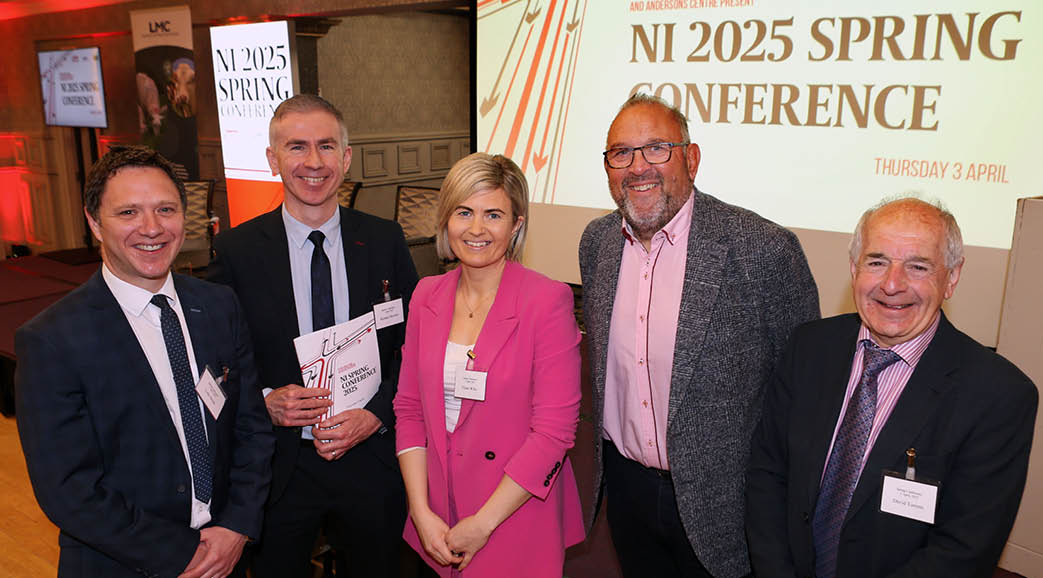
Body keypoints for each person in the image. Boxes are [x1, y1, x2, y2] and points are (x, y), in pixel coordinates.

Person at [579, 93, 820, 578]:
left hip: (727, 506)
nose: (638, 167)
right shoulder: (597, 243)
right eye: (621, 153)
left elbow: (804, 396)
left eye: (657, 148)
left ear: (691, 159)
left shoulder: (764, 249)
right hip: (627, 491)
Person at [15, 145, 274, 578]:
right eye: (128, 213)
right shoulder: (51, 340)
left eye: (165, 209)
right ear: (94, 222)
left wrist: (236, 527)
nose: (152, 228)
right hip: (123, 565)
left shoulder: (219, 305)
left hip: (226, 554)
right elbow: (68, 488)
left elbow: (252, 427)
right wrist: (180, 555)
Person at [746, 197, 1038, 578]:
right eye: (877, 262)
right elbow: (768, 473)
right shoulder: (809, 348)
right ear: (854, 268)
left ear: (951, 278)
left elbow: (963, 550)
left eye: (918, 266)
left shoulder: (999, 395)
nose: (892, 284)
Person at [208, 94, 419, 577]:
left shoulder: (384, 239)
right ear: (273, 159)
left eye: (326, 146)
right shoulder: (237, 250)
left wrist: (376, 414)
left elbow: (412, 347)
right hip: (280, 466)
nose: (314, 162)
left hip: (371, 457)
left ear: (346, 157)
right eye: (296, 147)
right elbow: (215, 361)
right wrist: (263, 400)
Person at [393, 152, 585, 577]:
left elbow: (553, 433)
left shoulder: (546, 301)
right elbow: (409, 410)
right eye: (464, 212)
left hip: (512, 512)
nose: (476, 229)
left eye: (493, 215)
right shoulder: (426, 295)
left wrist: (482, 524)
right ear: (446, 219)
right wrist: (420, 510)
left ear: (516, 225)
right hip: (437, 516)